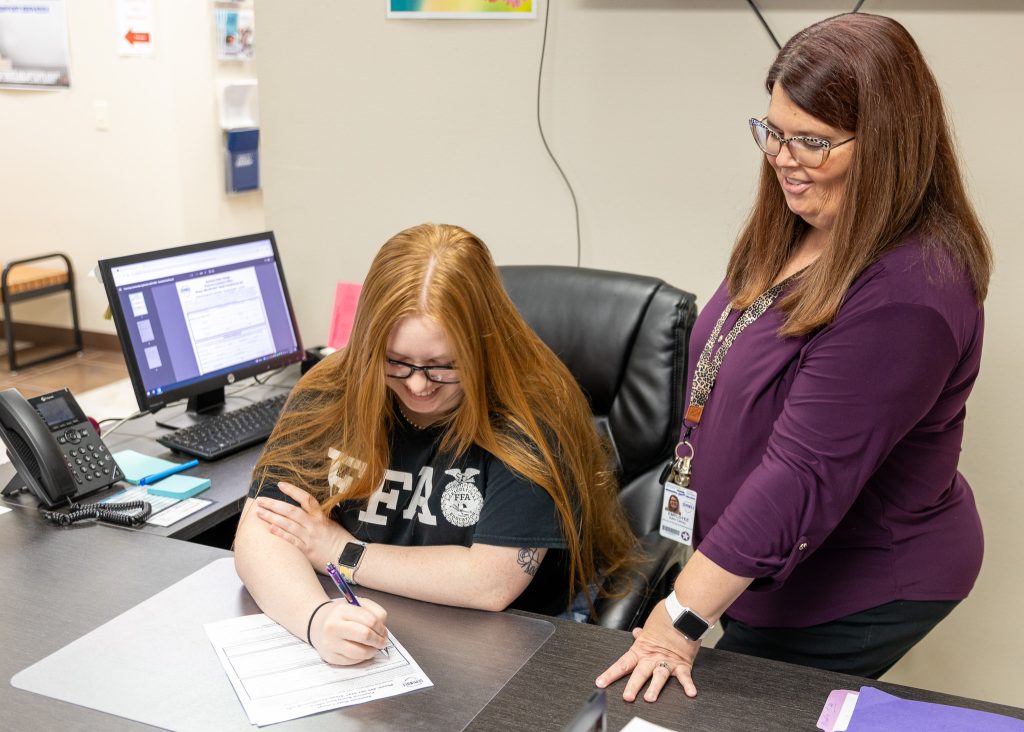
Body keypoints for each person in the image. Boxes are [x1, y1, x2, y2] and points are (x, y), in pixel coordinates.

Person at [597, 12, 992, 702]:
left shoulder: (911, 290)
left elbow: (802, 474)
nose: (782, 157)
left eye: (812, 141)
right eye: (773, 131)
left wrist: (679, 616)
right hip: (765, 564)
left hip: (857, 581)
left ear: (888, 144)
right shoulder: (803, 220)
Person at [234, 222, 637, 665]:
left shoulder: (533, 411)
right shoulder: (331, 390)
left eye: (444, 365)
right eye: (397, 362)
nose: (420, 386)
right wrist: (316, 619)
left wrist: (338, 550)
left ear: (483, 346)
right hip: (377, 614)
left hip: (512, 638)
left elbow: (490, 583)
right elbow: (261, 530)